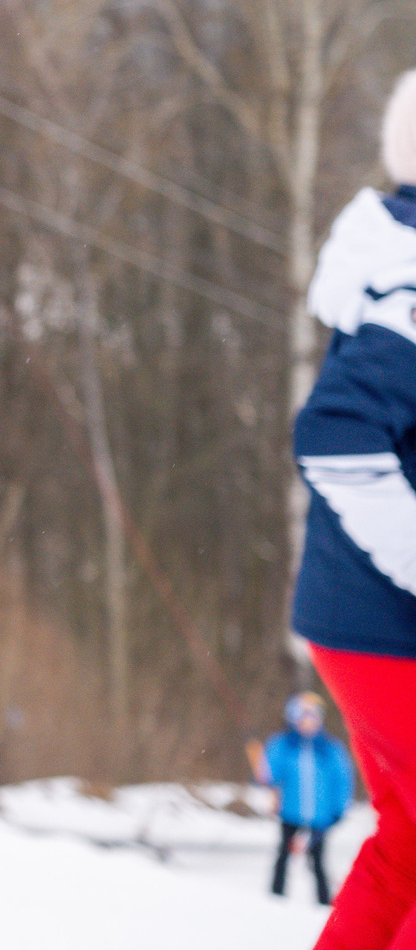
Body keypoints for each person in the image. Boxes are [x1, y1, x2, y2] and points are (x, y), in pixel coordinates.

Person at [293, 68, 416, 948]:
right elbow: (335, 432)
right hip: (385, 622)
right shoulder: (411, 282)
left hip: (361, 615)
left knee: (406, 843)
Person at [259, 692, 355, 904]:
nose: (307, 722)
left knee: (318, 860)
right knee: (283, 855)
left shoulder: (330, 749)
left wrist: (339, 808)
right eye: (302, 716)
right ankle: (275, 898)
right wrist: (266, 776)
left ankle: (323, 902)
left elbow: (342, 780)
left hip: (321, 816)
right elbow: (271, 773)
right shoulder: (284, 745)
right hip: (290, 812)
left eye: (313, 716)